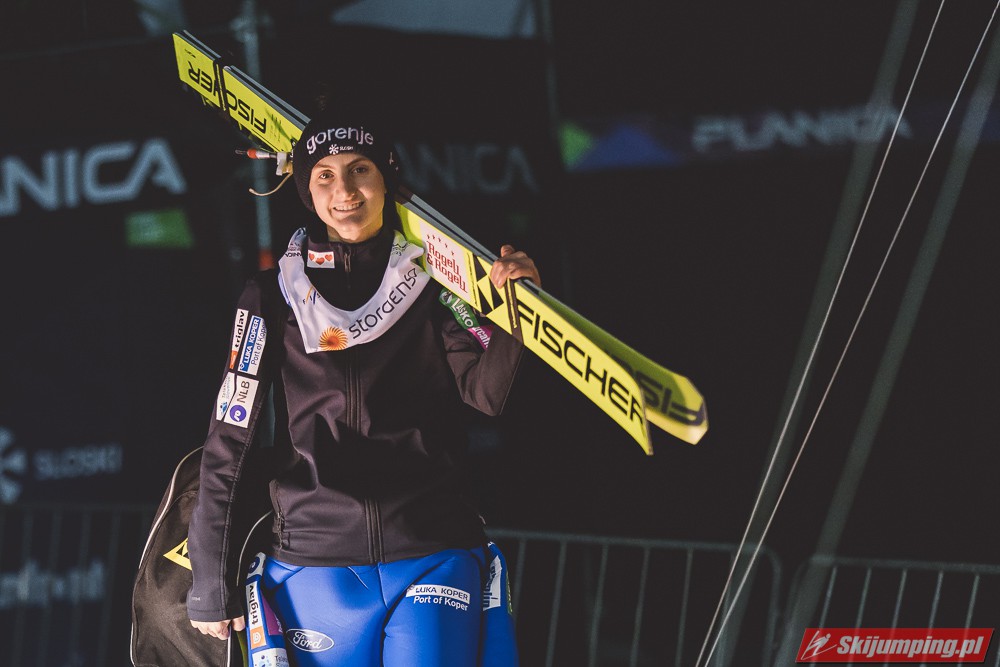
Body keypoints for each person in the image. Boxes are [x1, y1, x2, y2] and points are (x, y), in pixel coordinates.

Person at [185, 103, 539, 667]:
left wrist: (516, 314)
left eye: (360, 169)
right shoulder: (270, 296)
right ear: (307, 189)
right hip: (314, 562)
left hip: (430, 551)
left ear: (386, 178)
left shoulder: (433, 283)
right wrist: (209, 578)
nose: (345, 190)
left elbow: (486, 393)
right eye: (325, 175)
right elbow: (229, 436)